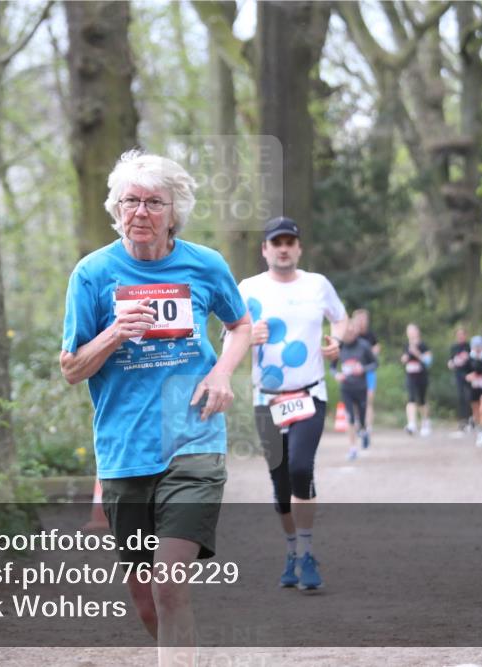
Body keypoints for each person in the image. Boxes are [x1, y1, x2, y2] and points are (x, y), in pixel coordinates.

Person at [60, 150, 251, 661]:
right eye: (130, 201)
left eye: (153, 202)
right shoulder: (93, 274)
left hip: (194, 441)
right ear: (116, 207)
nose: (140, 212)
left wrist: (221, 372)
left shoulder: (205, 264)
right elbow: (72, 367)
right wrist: (113, 334)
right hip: (125, 452)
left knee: (169, 586)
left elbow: (240, 325)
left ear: (173, 211)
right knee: (147, 604)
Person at [238, 216, 347, 591]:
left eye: (290, 241)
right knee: (280, 484)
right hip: (266, 400)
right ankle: (290, 549)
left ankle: (306, 552)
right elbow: (230, 337)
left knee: (301, 468)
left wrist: (337, 340)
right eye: (276, 242)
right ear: (265, 249)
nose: (283, 248)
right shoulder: (247, 288)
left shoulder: (318, 285)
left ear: (298, 248)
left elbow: (341, 318)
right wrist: (248, 336)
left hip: (309, 393)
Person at [333, 316, 378, 460]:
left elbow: (375, 364)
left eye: (352, 330)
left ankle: (364, 431)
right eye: (347, 331)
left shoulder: (364, 345)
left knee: (362, 417)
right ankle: (352, 448)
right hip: (346, 387)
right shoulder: (339, 347)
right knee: (350, 417)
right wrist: (336, 375)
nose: (350, 333)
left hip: (361, 387)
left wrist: (363, 368)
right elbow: (332, 368)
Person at [352, 309, 381, 435]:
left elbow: (377, 347)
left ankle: (368, 426)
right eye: (360, 319)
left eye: (364, 319)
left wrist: (371, 353)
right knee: (355, 401)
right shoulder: (351, 336)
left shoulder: (371, 335)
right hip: (355, 374)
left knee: (368, 399)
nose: (362, 322)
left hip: (369, 372)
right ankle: (358, 422)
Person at [401, 323, 432, 436]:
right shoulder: (406, 346)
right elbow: (404, 359)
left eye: (413, 330)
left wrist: (417, 353)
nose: (411, 333)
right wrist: (404, 358)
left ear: (417, 332)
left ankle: (425, 422)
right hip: (410, 376)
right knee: (411, 399)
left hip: (422, 376)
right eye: (408, 331)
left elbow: (428, 361)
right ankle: (412, 424)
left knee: (422, 400)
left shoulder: (423, 345)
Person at [447, 327, 472, 432]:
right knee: (461, 397)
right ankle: (463, 420)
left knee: (470, 396)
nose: (460, 336)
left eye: (462, 334)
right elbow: (450, 361)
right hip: (458, 375)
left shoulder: (469, 346)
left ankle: (472, 418)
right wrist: (451, 364)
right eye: (459, 334)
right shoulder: (454, 347)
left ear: (465, 335)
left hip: (470, 375)